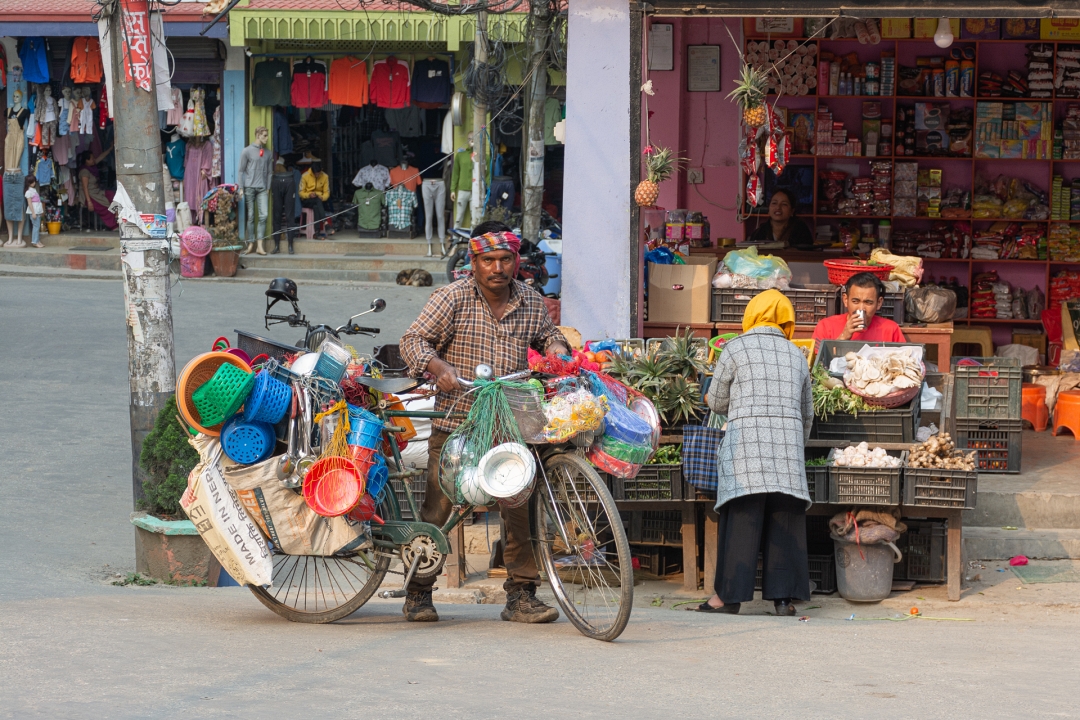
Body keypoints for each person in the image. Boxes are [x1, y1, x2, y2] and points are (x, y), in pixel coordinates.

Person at [399, 220, 570, 624]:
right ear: (473, 262)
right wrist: (435, 364)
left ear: (516, 261)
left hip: (511, 422)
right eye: (488, 260)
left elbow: (548, 335)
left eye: (505, 259)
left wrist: (558, 349)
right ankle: (419, 593)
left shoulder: (529, 300)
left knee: (519, 508)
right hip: (457, 419)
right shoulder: (452, 298)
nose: (497, 268)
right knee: (439, 508)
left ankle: (521, 596)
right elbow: (413, 341)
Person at [698, 290, 813, 617]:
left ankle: (726, 599)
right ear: (786, 321)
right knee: (785, 521)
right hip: (788, 450)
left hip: (745, 449)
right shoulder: (796, 354)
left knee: (742, 520)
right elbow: (808, 413)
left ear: (750, 316)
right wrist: (794, 444)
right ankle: (783, 600)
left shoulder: (734, 348)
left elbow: (718, 402)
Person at [812, 272, 906, 346]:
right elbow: (817, 364)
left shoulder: (891, 329)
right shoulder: (825, 326)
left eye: (868, 302)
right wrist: (843, 336)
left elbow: (906, 361)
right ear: (845, 300)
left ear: (879, 303)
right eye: (855, 301)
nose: (861, 308)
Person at [238, 126, 273, 256]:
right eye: (264, 135)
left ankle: (259, 245)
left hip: (263, 188)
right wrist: (241, 187)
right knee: (251, 216)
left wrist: (268, 187)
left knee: (263, 215)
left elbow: (270, 172)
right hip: (249, 187)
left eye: (267, 135)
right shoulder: (246, 151)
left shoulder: (268, 153)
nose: (266, 138)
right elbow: (241, 170)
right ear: (257, 135)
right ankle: (251, 244)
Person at [747, 189, 814, 250]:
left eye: (784, 204)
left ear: (792, 211)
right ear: (768, 209)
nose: (778, 207)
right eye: (774, 203)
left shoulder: (801, 230)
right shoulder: (759, 232)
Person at [78, 149, 117, 231]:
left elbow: (101, 156)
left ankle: (116, 214)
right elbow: (85, 188)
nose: (94, 160)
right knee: (106, 206)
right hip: (89, 196)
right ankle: (113, 226)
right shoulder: (84, 171)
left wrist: (110, 148)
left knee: (111, 194)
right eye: (91, 158)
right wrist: (89, 202)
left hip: (97, 192)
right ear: (86, 160)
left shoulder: (92, 166)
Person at [298, 157, 330, 239]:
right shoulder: (305, 176)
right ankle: (325, 222)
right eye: (316, 174)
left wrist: (323, 197)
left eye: (319, 173)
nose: (317, 175)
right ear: (312, 171)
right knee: (317, 201)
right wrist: (309, 195)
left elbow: (327, 192)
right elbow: (301, 193)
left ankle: (317, 232)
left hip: (319, 200)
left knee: (316, 205)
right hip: (307, 200)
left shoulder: (325, 176)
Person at [24, 176, 44, 248]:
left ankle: (37, 240)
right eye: (32, 182)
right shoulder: (28, 192)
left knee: (37, 226)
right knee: (36, 226)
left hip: (37, 211)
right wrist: (33, 213)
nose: (34, 183)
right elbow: (29, 203)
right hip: (34, 211)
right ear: (28, 183)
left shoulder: (33, 190)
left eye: (34, 181)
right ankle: (35, 241)